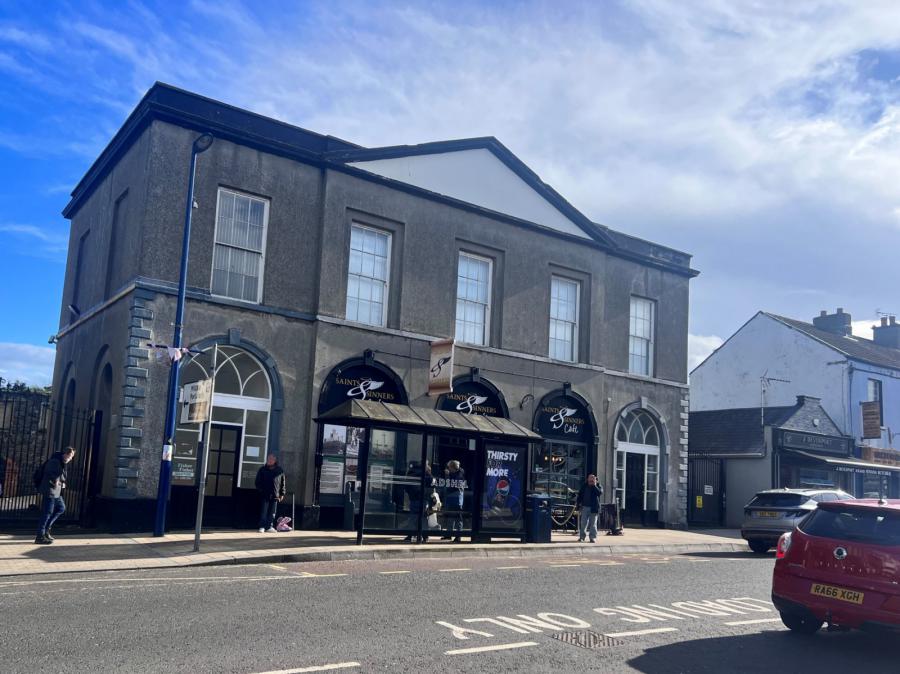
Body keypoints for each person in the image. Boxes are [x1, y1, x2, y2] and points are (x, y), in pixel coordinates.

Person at [35, 447, 76, 545]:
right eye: (70, 456)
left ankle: (47, 529)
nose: (70, 459)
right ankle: (40, 536)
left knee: (61, 508)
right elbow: (48, 472)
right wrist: (56, 480)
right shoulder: (55, 461)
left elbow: (62, 476)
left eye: (72, 457)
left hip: (56, 492)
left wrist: (61, 483)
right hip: (50, 490)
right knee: (47, 513)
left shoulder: (62, 462)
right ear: (65, 454)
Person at [255, 454, 286, 533]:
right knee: (264, 511)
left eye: (271, 459)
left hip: (275, 494)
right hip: (265, 494)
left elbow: (283, 483)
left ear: (275, 461)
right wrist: (261, 490)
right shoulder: (262, 469)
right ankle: (262, 526)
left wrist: (282, 494)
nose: (269, 460)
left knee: (272, 512)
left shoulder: (280, 470)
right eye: (268, 459)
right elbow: (257, 482)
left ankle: (269, 526)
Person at [441, 460, 466, 543]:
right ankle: (449, 534)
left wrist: (448, 476)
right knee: (450, 517)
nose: (448, 469)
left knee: (458, 518)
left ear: (453, 468)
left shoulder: (460, 474)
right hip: (452, 498)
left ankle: (458, 536)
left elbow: (452, 485)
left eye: (449, 467)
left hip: (457, 499)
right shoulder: (456, 474)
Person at [576, 474, 603, 543]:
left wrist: (594, 485)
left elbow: (599, 493)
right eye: (590, 478)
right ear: (587, 479)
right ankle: (582, 537)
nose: (591, 479)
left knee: (593, 524)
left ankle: (592, 538)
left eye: (593, 478)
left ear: (595, 479)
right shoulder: (584, 486)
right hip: (585, 507)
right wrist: (578, 505)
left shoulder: (598, 485)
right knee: (583, 523)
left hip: (594, 507)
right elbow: (580, 495)